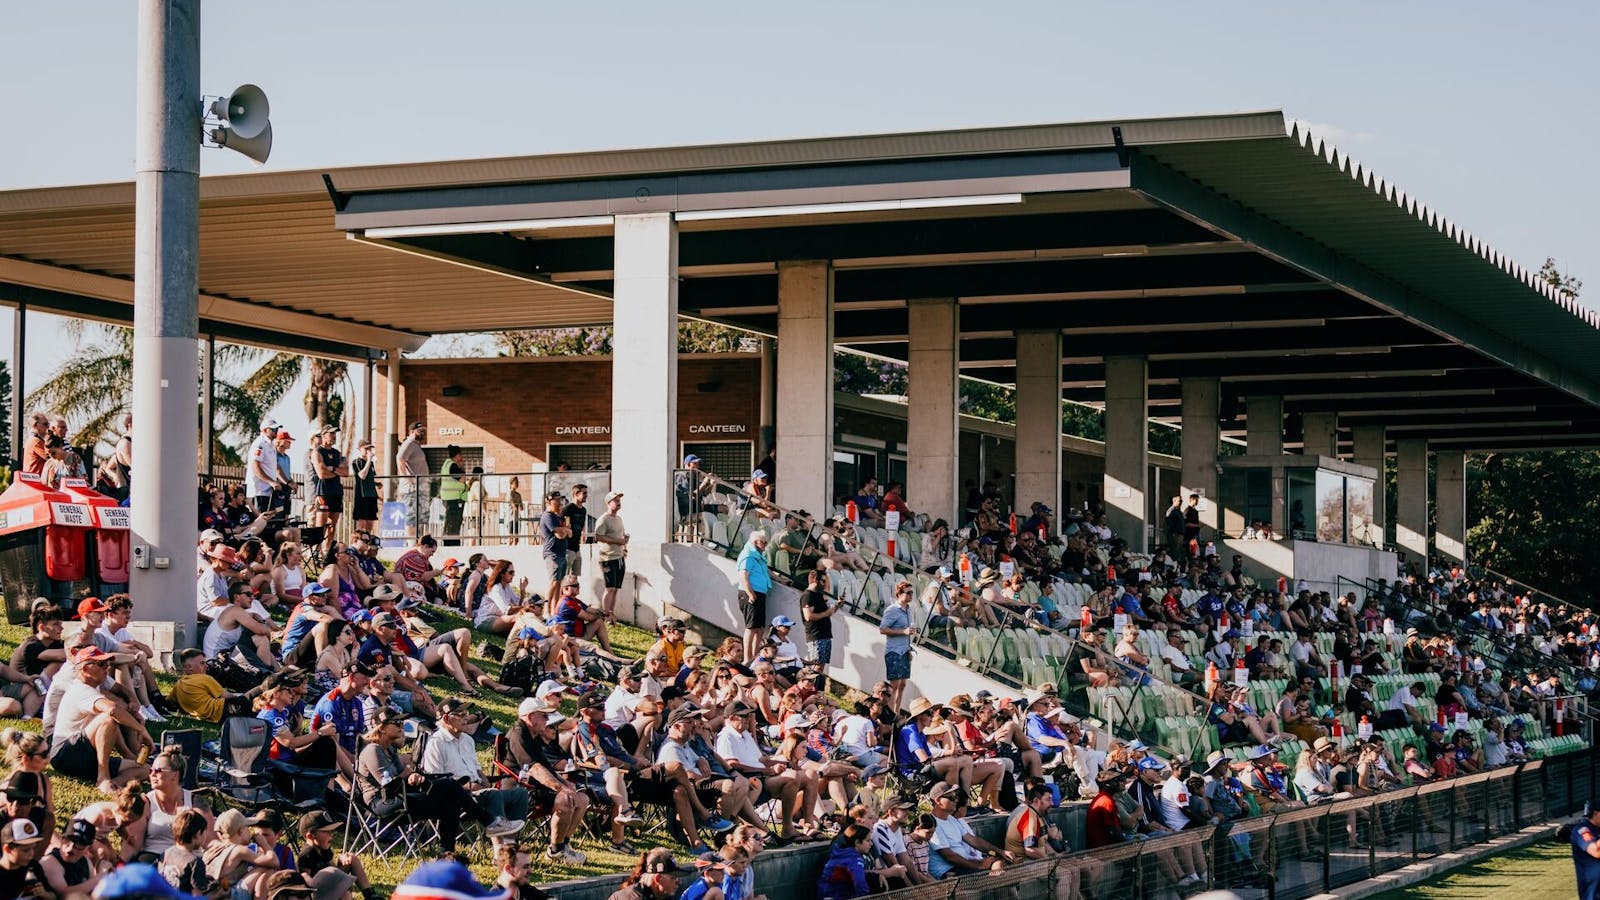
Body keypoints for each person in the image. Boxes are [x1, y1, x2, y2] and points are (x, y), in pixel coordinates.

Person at [355, 709, 519, 856]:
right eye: (396, 722)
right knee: (447, 784)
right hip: (382, 803)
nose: (401, 725)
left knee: (450, 803)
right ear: (381, 728)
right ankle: (490, 821)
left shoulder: (389, 749)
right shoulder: (373, 750)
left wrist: (413, 775)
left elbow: (404, 774)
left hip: (400, 796)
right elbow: (388, 783)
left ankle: (446, 854)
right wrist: (411, 777)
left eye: (401, 721)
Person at [419, 697, 530, 830]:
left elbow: (477, 769)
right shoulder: (435, 743)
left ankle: (511, 841)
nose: (466, 718)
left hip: (479, 791)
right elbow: (436, 780)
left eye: (466, 713)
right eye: (460, 714)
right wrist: (469, 787)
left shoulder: (468, 740)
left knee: (519, 794)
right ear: (446, 719)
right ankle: (499, 841)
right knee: (492, 795)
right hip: (457, 795)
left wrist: (485, 783)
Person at [49, 646, 151, 793]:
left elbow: (111, 727)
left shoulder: (93, 688)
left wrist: (128, 755)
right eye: (101, 664)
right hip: (65, 754)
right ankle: (103, 778)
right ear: (84, 669)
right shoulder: (80, 690)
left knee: (145, 770)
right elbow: (112, 711)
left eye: (107, 664)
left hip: (86, 755)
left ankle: (115, 784)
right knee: (108, 717)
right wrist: (141, 729)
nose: (107, 668)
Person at [926, 782, 1011, 878]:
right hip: (951, 871)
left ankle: (999, 882)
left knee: (999, 864)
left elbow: (974, 841)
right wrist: (979, 866)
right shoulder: (932, 823)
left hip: (966, 865)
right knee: (1000, 877)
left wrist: (1001, 852)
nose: (956, 800)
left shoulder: (951, 819)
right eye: (952, 798)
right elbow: (950, 857)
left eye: (956, 797)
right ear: (938, 801)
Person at [39, 818, 104, 898]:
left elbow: (93, 892)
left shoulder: (86, 862)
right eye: (67, 840)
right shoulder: (50, 862)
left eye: (79, 844)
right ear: (62, 838)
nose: (70, 849)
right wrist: (98, 879)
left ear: (88, 848)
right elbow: (64, 894)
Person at [736, 532, 772, 662]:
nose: (765, 545)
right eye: (763, 542)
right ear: (755, 542)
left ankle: (755, 655)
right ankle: (747, 658)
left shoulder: (759, 557)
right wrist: (751, 593)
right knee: (751, 626)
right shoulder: (748, 555)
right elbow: (743, 576)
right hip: (750, 593)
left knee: (759, 628)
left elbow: (766, 572)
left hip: (760, 593)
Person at [879, 582, 914, 712]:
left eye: (912, 592)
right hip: (894, 651)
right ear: (899, 594)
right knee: (894, 685)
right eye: (908, 592)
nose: (911, 595)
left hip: (904, 651)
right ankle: (889, 714)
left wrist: (908, 648)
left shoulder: (908, 610)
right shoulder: (892, 610)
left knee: (902, 685)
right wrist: (902, 632)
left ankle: (896, 712)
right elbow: (882, 629)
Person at [593, 490, 629, 617]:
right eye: (616, 501)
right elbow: (598, 536)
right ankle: (605, 614)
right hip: (607, 558)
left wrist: (624, 545)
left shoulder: (618, 518)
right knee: (610, 588)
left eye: (619, 501)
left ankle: (611, 613)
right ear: (608, 503)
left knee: (616, 588)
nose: (619, 503)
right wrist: (617, 541)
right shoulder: (603, 519)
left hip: (619, 557)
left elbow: (622, 535)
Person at [608, 848, 685, 900]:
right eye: (674, 877)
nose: (679, 882)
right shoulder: (635, 897)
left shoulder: (660, 894)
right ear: (658, 879)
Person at [799, 569, 839, 669]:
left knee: (820, 667)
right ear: (815, 580)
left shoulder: (818, 595)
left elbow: (828, 613)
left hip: (824, 635)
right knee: (815, 667)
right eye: (823, 581)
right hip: (816, 635)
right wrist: (826, 613)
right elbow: (808, 616)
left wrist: (838, 604)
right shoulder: (808, 595)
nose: (825, 584)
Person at [539, 491, 573, 604]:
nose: (559, 503)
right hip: (552, 554)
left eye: (560, 500)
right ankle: (546, 610)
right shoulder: (548, 516)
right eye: (556, 501)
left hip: (561, 553)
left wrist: (566, 530)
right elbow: (560, 534)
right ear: (548, 502)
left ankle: (555, 609)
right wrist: (566, 530)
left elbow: (569, 534)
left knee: (559, 583)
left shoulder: (556, 517)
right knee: (553, 582)